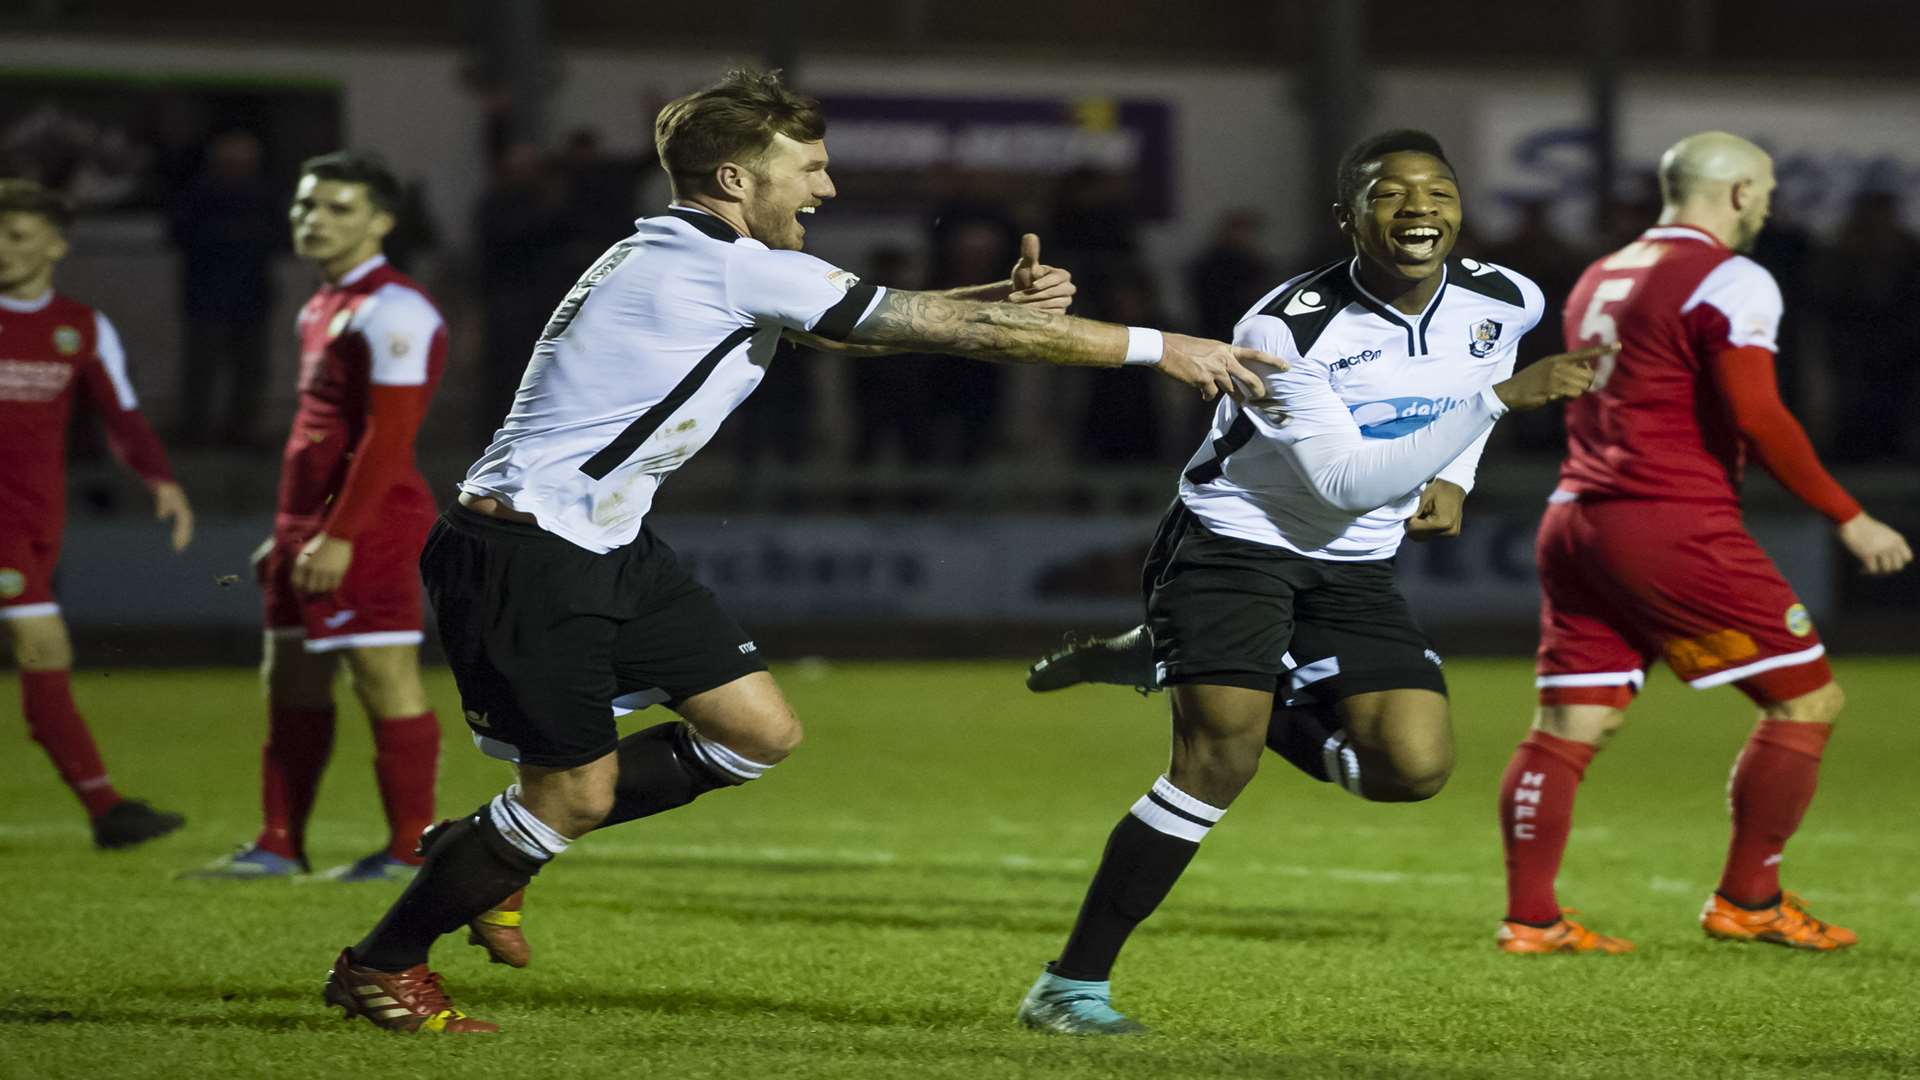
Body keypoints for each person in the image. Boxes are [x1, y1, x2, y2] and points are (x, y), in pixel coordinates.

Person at [320, 67, 1270, 1035]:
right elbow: (928, 325)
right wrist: (1168, 348)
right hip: (527, 551)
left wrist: (999, 300)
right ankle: (384, 961)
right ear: (737, 181)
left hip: (603, 539)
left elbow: (863, 328)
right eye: (808, 169)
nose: (826, 189)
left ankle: (486, 847)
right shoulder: (725, 262)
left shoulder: (694, 253)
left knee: (754, 732)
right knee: (576, 791)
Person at [1014, 131, 1607, 1036]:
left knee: (1411, 769)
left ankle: (1169, 660)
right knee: (1219, 764)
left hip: (1355, 562)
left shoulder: (1505, 297)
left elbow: (1475, 377)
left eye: (1437, 192)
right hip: (1230, 546)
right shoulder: (1286, 326)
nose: (1418, 208)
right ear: (1348, 217)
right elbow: (1346, 481)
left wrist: (1459, 476)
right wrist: (1502, 404)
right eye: (1390, 193)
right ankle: (1069, 987)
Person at [1497, 132, 1912, 955]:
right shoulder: (1733, 276)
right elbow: (1759, 415)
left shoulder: (1601, 272)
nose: (1765, 207)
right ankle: (1749, 901)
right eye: (1762, 192)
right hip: (1669, 523)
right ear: (1736, 192)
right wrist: (1847, 513)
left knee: (1570, 722)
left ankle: (1531, 920)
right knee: (1807, 700)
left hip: (1578, 516)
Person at [184, 152, 450, 884]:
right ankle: (278, 845)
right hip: (309, 527)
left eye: (337, 208)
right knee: (290, 679)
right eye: (306, 205)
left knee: (383, 679)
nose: (315, 220)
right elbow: (318, 428)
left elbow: (387, 439)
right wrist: (293, 528)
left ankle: (406, 853)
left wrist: (337, 534)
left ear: (382, 220)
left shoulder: (395, 308)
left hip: (369, 526)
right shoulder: (318, 303)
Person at [0, 178, 193, 849]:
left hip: (38, 520)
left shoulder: (81, 327)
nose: (3, 248)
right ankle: (108, 809)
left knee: (43, 657)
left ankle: (107, 808)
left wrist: (160, 479)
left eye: (18, 236)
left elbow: (122, 415)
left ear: (56, 244)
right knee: (43, 647)